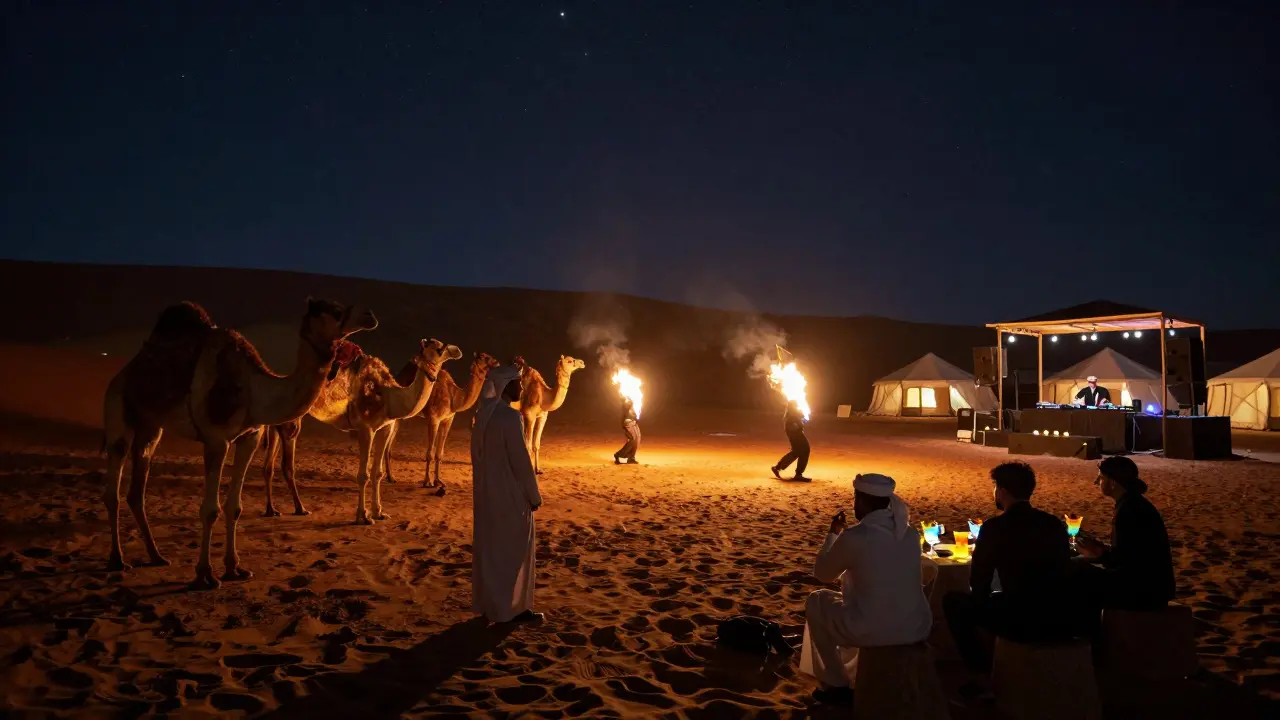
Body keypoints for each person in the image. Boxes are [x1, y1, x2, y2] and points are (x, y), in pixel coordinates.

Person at [799, 474, 933, 705]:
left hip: (872, 628)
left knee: (817, 601)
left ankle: (836, 683)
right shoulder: (910, 534)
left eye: (855, 499)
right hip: (916, 626)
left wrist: (833, 534)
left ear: (862, 501)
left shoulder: (856, 536)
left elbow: (822, 574)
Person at [943, 462, 1077, 690]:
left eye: (995, 486)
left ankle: (981, 673)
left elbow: (980, 580)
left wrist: (984, 601)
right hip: (1062, 612)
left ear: (1002, 491)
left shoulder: (995, 527)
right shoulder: (1053, 523)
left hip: (1021, 616)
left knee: (954, 603)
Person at [470, 365, 543, 624]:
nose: (521, 388)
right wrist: (533, 495)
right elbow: (521, 462)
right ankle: (513, 609)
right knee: (514, 551)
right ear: (505, 386)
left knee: (492, 551)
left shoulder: (483, 416)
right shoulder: (510, 418)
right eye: (517, 383)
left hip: (487, 494)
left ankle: (491, 606)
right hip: (511, 494)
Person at [1075, 456, 1175, 611]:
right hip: (1154, 586)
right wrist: (1102, 550)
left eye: (1101, 478)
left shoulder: (1128, 510)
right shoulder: (1134, 503)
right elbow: (1132, 552)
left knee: (1077, 572)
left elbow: (1126, 566)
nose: (1096, 482)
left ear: (1113, 482)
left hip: (1144, 591)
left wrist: (1099, 554)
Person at [772, 400, 810, 481]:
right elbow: (794, 427)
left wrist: (801, 418)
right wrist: (800, 422)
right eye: (796, 405)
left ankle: (778, 467)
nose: (797, 406)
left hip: (796, 435)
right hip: (796, 435)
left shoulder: (792, 414)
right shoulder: (791, 416)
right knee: (804, 450)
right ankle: (798, 474)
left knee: (796, 452)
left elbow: (799, 423)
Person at [614, 394, 641, 465]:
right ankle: (618, 454)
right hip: (628, 423)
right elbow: (628, 405)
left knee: (637, 440)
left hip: (633, 422)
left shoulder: (632, 404)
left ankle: (631, 458)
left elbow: (634, 411)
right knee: (632, 440)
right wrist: (630, 398)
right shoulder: (625, 405)